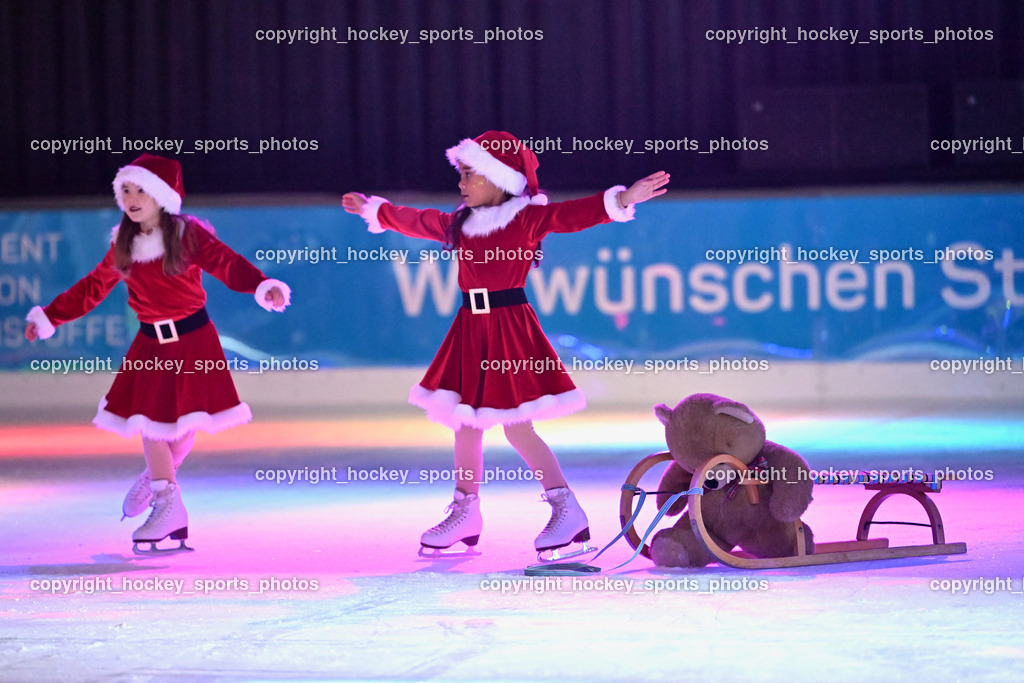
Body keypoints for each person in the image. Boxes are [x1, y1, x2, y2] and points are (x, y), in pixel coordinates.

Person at [343, 131, 669, 560]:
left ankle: (566, 508)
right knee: (466, 422)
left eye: (470, 175)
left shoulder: (525, 218)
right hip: (470, 330)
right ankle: (466, 511)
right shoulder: (460, 223)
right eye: (460, 174)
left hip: (509, 328)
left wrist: (623, 199)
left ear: (500, 179)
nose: (461, 184)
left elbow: (573, 215)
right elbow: (419, 220)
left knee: (517, 425)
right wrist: (378, 210)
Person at [24, 153, 291, 554]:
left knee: (183, 428)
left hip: (194, 339)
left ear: (162, 196)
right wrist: (50, 317)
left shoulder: (187, 235)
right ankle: (168, 502)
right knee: (148, 421)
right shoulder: (123, 244)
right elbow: (92, 287)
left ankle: (156, 475)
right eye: (126, 190)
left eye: (140, 191)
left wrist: (261, 284)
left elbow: (226, 263)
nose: (131, 198)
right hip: (150, 343)